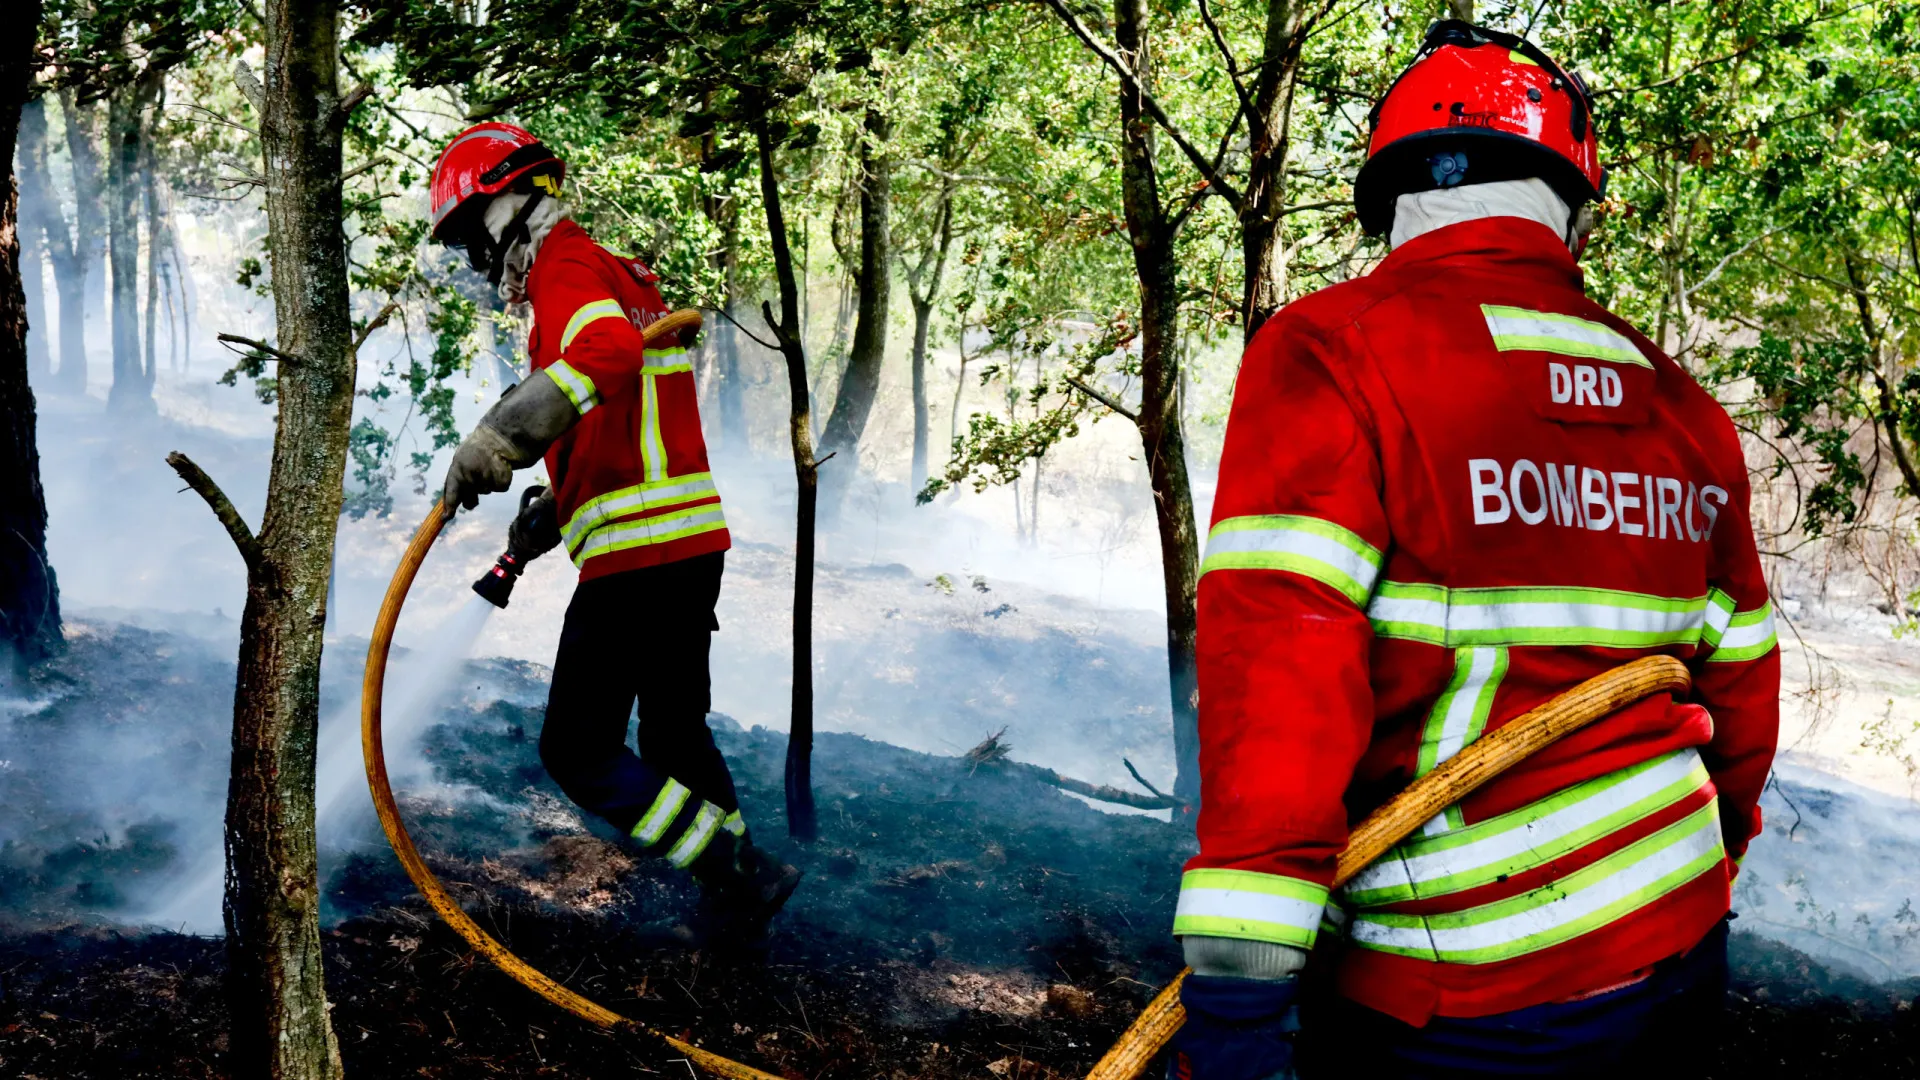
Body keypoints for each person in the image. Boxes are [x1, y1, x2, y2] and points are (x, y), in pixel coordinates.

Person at [1169, 22, 1778, 1079]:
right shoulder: (1680, 404)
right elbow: (1743, 693)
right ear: (1570, 202)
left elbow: (1280, 689)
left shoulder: (1329, 352)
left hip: (1468, 989)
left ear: (1391, 190)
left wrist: (1236, 993)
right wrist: (1700, 854)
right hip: (1678, 936)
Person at [429, 122, 801, 937]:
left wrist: (501, 438)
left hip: (638, 557)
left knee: (577, 748)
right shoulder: (616, 275)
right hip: (688, 545)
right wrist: (555, 507)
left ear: (506, 205)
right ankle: (738, 909)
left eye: (467, 235)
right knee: (673, 734)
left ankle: (734, 869)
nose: (473, 259)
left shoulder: (566, 268)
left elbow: (604, 359)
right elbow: (622, 420)